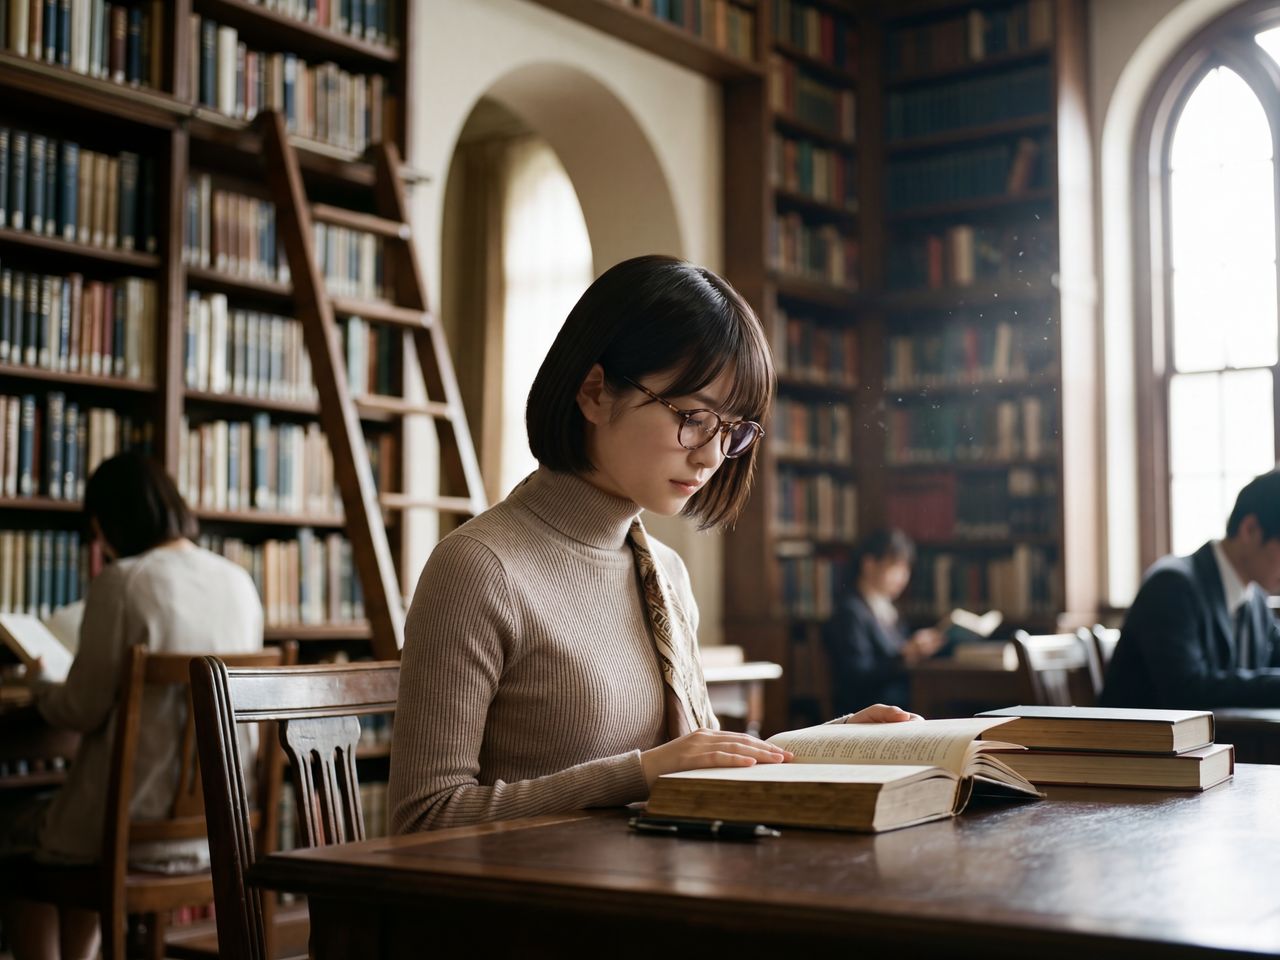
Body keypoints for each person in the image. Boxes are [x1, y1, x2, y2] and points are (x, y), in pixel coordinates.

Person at [388, 255, 919, 834]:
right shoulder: (478, 568)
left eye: (733, 430)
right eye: (692, 415)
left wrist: (831, 743)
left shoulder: (664, 570)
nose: (712, 455)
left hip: (656, 891)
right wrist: (639, 774)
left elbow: (698, 762)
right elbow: (423, 818)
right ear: (594, 393)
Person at [1, 452, 264, 960]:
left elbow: (79, 710)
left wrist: (39, 680)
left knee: (17, 845)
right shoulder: (239, 583)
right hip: (217, 829)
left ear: (109, 523)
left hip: (126, 836)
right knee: (73, 843)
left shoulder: (123, 582)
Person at [1102, 469, 1280, 709]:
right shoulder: (1171, 586)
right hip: (1141, 744)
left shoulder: (1255, 599)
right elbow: (1187, 691)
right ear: (1250, 530)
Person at [821, 529, 944, 717]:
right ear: (869, 565)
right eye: (896, 568)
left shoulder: (886, 609)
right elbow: (857, 676)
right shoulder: (851, 612)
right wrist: (904, 656)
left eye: (906, 569)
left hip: (896, 701)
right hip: (871, 707)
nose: (903, 577)